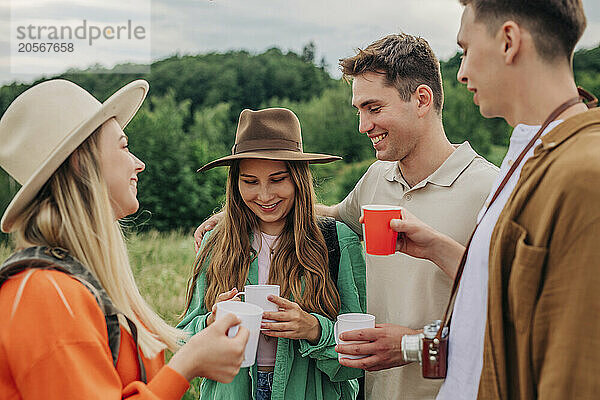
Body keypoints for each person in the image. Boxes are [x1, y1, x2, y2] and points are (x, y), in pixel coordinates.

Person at [194, 34, 498, 400]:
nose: (362, 125)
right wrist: (239, 211)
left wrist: (413, 346)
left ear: (421, 99)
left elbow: (516, 314)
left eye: (373, 108)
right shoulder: (376, 180)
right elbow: (319, 213)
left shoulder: (491, 192)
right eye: (359, 110)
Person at [346, 1, 600, 399]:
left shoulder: (585, 174)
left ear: (509, 41)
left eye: (466, 49)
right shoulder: (529, 157)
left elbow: (573, 365)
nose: (461, 72)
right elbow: (502, 315)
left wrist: (409, 344)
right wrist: (439, 249)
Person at [0, 79, 249, 399]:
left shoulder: (76, 283)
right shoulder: (45, 296)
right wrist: (187, 364)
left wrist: (203, 339)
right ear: (80, 162)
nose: (138, 163)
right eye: (123, 146)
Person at [178, 107, 367, 400]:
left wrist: (314, 330)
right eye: (250, 182)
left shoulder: (337, 241)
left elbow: (361, 352)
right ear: (235, 183)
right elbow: (183, 338)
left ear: (298, 179)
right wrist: (209, 325)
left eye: (278, 179)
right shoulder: (216, 242)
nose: (264, 196)